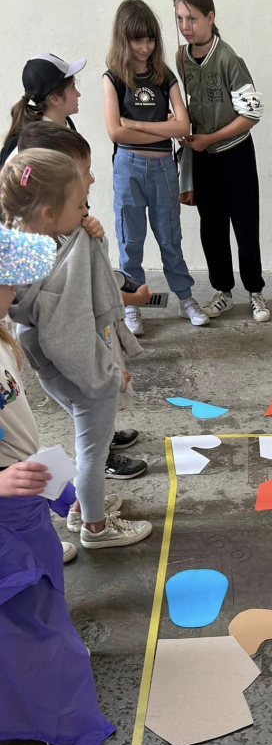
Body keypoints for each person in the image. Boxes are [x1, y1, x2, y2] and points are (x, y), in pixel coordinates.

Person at [0, 224, 115, 745]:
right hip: (6, 512)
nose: (15, 290)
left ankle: (40, 676)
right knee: (27, 612)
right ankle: (50, 702)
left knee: (42, 594)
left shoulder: (3, 338)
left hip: (24, 500)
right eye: (7, 281)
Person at [1, 149, 153, 549]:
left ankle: (81, 508)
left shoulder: (24, 243)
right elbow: (70, 340)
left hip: (52, 370)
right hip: (83, 370)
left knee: (87, 440)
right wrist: (109, 373)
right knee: (93, 451)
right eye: (79, 204)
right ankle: (96, 528)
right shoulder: (55, 278)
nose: (86, 210)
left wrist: (88, 236)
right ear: (49, 212)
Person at [17, 121, 149, 487]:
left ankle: (101, 440)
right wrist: (107, 374)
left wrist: (96, 237)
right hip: (73, 359)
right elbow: (69, 329)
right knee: (90, 428)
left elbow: (91, 280)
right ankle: (95, 501)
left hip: (69, 354)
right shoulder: (40, 255)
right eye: (84, 172)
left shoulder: (56, 229)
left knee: (88, 416)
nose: (91, 179)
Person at [103, 0, 207, 334]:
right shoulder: (113, 78)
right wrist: (163, 128)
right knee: (130, 241)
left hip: (163, 167)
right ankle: (131, 305)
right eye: (137, 40)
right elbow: (115, 132)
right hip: (128, 167)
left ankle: (186, 299)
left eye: (150, 39)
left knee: (170, 238)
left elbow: (183, 126)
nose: (145, 47)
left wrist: (137, 124)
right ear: (123, 38)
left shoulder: (164, 76)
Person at [173, 0, 269, 323]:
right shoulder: (181, 58)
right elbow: (191, 103)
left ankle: (255, 291)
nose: (185, 26)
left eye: (192, 18)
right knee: (211, 227)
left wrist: (210, 137)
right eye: (180, 18)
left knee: (245, 224)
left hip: (235, 153)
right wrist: (181, 125)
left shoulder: (228, 58)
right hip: (202, 157)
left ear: (210, 17)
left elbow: (252, 114)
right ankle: (222, 292)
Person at [1, 53, 85, 166]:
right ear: (55, 99)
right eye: (73, 86)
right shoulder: (29, 145)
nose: (78, 94)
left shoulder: (66, 125)